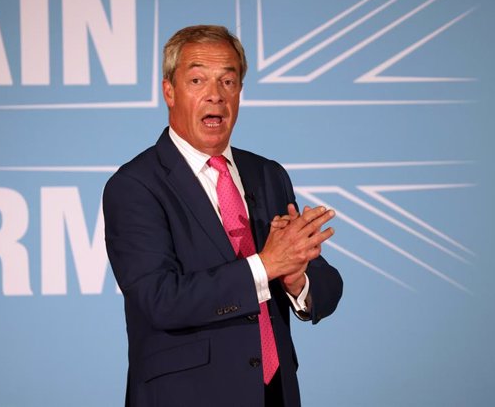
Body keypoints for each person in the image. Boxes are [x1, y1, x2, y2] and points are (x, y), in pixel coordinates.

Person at [103, 25, 343, 407]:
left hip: (274, 392)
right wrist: (265, 267)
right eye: (197, 80)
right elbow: (160, 300)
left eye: (228, 81)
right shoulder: (135, 185)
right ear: (169, 91)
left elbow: (326, 286)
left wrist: (297, 279)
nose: (215, 95)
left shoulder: (268, 175)